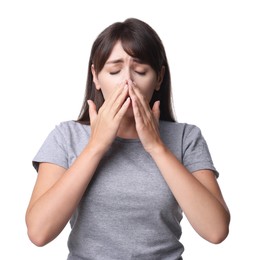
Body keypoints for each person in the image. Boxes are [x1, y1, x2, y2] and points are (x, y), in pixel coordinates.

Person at [25, 18, 230, 259]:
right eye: (114, 71)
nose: (128, 82)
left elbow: (216, 231)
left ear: (159, 78)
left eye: (141, 71)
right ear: (96, 77)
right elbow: (39, 233)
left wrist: (156, 147)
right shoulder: (66, 136)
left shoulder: (186, 137)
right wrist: (96, 146)